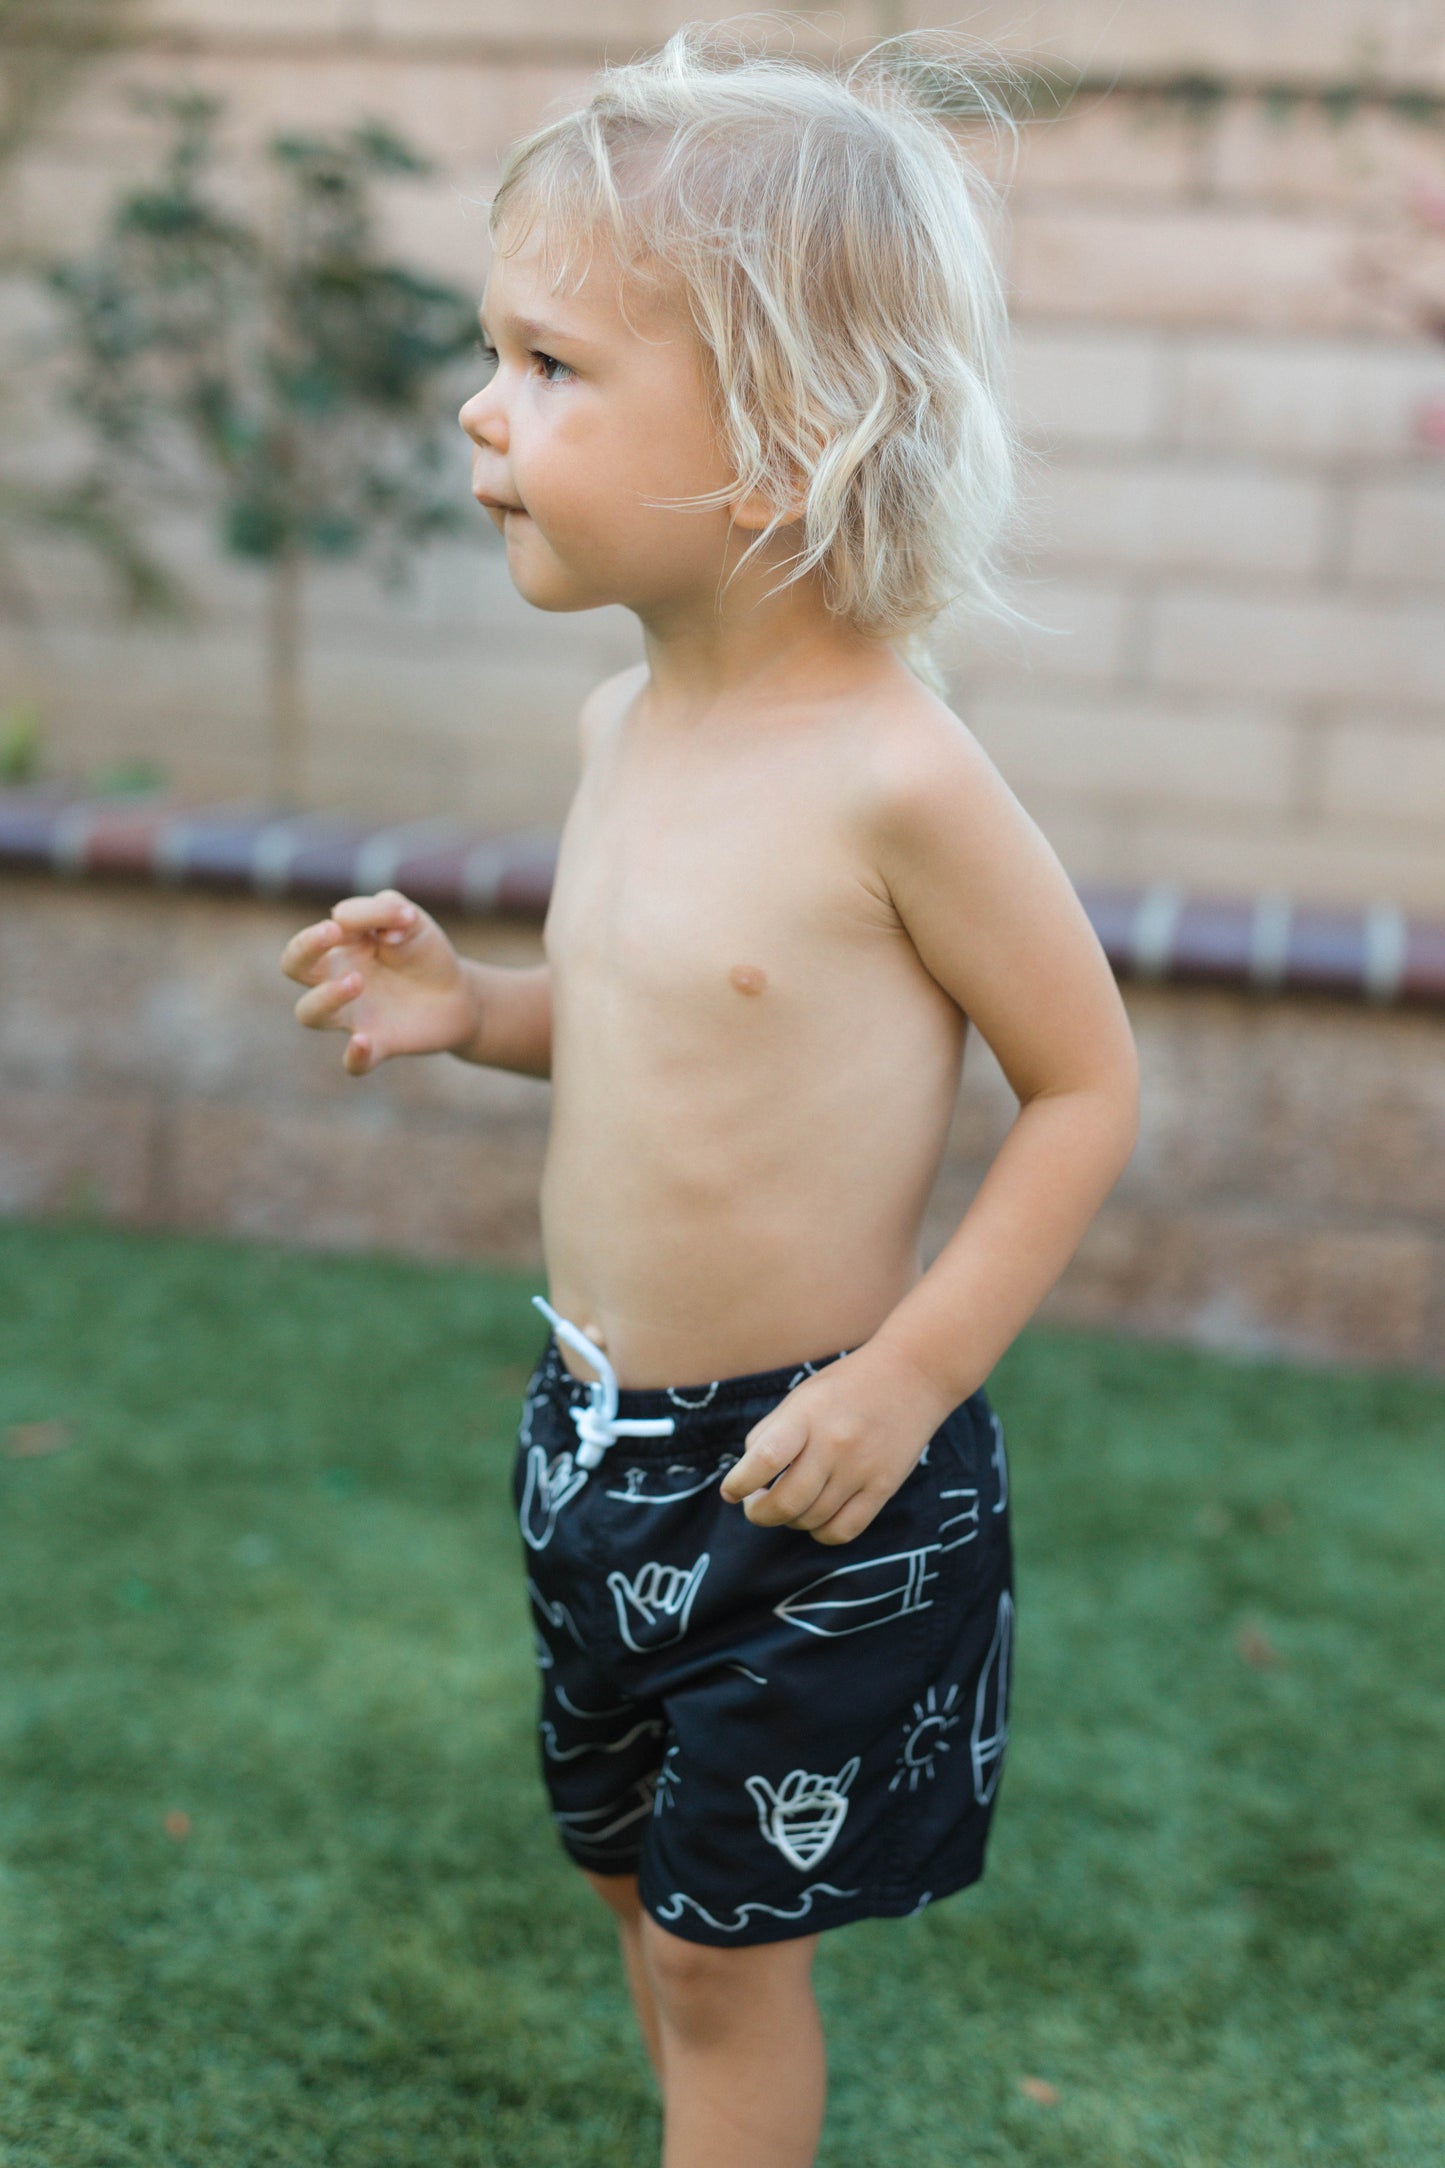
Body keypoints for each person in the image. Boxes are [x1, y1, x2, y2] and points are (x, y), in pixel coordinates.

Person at [279, 24, 1139, 2166]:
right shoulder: (620, 726)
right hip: (591, 1450)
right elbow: (655, 1016)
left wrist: (911, 1377)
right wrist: (479, 1008)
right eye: (498, 354)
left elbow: (1086, 1083)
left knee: (712, 1954)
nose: (485, 410)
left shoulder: (902, 776)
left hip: (810, 1479)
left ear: (780, 439)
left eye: (554, 367)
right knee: (625, 1875)